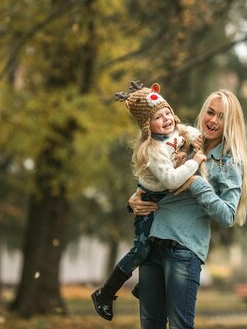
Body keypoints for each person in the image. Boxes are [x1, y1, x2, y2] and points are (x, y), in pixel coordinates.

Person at [128, 89, 247, 329]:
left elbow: (228, 215)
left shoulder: (228, 163)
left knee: (179, 326)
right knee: (150, 325)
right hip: (152, 245)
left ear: (231, 123)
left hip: (184, 251)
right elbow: (157, 179)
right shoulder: (180, 142)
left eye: (222, 116)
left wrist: (197, 183)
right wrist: (133, 200)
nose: (213, 121)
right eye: (211, 112)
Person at [91, 81, 206, 321]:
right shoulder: (152, 150)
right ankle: (105, 293)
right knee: (142, 249)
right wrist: (194, 162)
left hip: (163, 202)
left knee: (156, 244)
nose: (166, 119)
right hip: (150, 200)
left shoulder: (179, 132)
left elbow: (198, 135)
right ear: (147, 126)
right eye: (158, 117)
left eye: (167, 113)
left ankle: (143, 288)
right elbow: (172, 180)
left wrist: (198, 142)